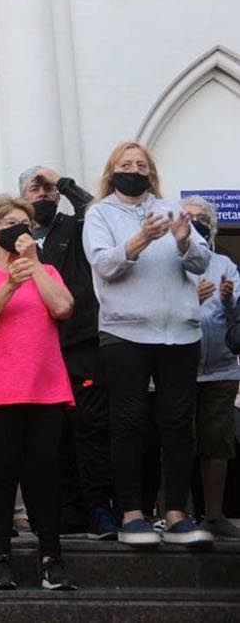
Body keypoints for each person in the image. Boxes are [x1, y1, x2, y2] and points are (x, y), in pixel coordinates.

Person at [83, 141, 213, 548]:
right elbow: (104, 264)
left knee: (177, 424)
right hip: (125, 333)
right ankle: (132, 513)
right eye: (126, 164)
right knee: (128, 422)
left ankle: (175, 513)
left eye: (141, 164)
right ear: (112, 170)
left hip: (179, 333)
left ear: (151, 172)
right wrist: (140, 238)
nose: (134, 169)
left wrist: (182, 238)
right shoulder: (100, 213)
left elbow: (201, 262)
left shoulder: (173, 208)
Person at [0, 195, 78, 591]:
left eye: (24, 222)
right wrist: (10, 283)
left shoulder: (49, 271)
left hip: (44, 385)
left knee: (44, 466)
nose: (18, 228)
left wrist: (36, 267)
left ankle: (51, 557)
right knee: (2, 467)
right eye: (9, 222)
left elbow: (62, 308)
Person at [18, 165, 118, 539]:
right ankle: (67, 510)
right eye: (35, 188)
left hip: (80, 345)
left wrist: (63, 181)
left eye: (48, 189)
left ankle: (99, 509)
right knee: (50, 436)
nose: (42, 194)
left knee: (90, 430)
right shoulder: (16, 239)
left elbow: (97, 210)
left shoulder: (76, 229)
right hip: (36, 352)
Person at [182, 195, 240, 540]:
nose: (193, 222)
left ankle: (214, 515)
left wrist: (229, 300)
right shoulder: (168, 261)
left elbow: (237, 320)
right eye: (186, 216)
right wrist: (192, 300)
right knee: (177, 441)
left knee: (216, 442)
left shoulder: (224, 265)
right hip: (178, 369)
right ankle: (178, 514)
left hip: (219, 369)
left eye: (200, 217)